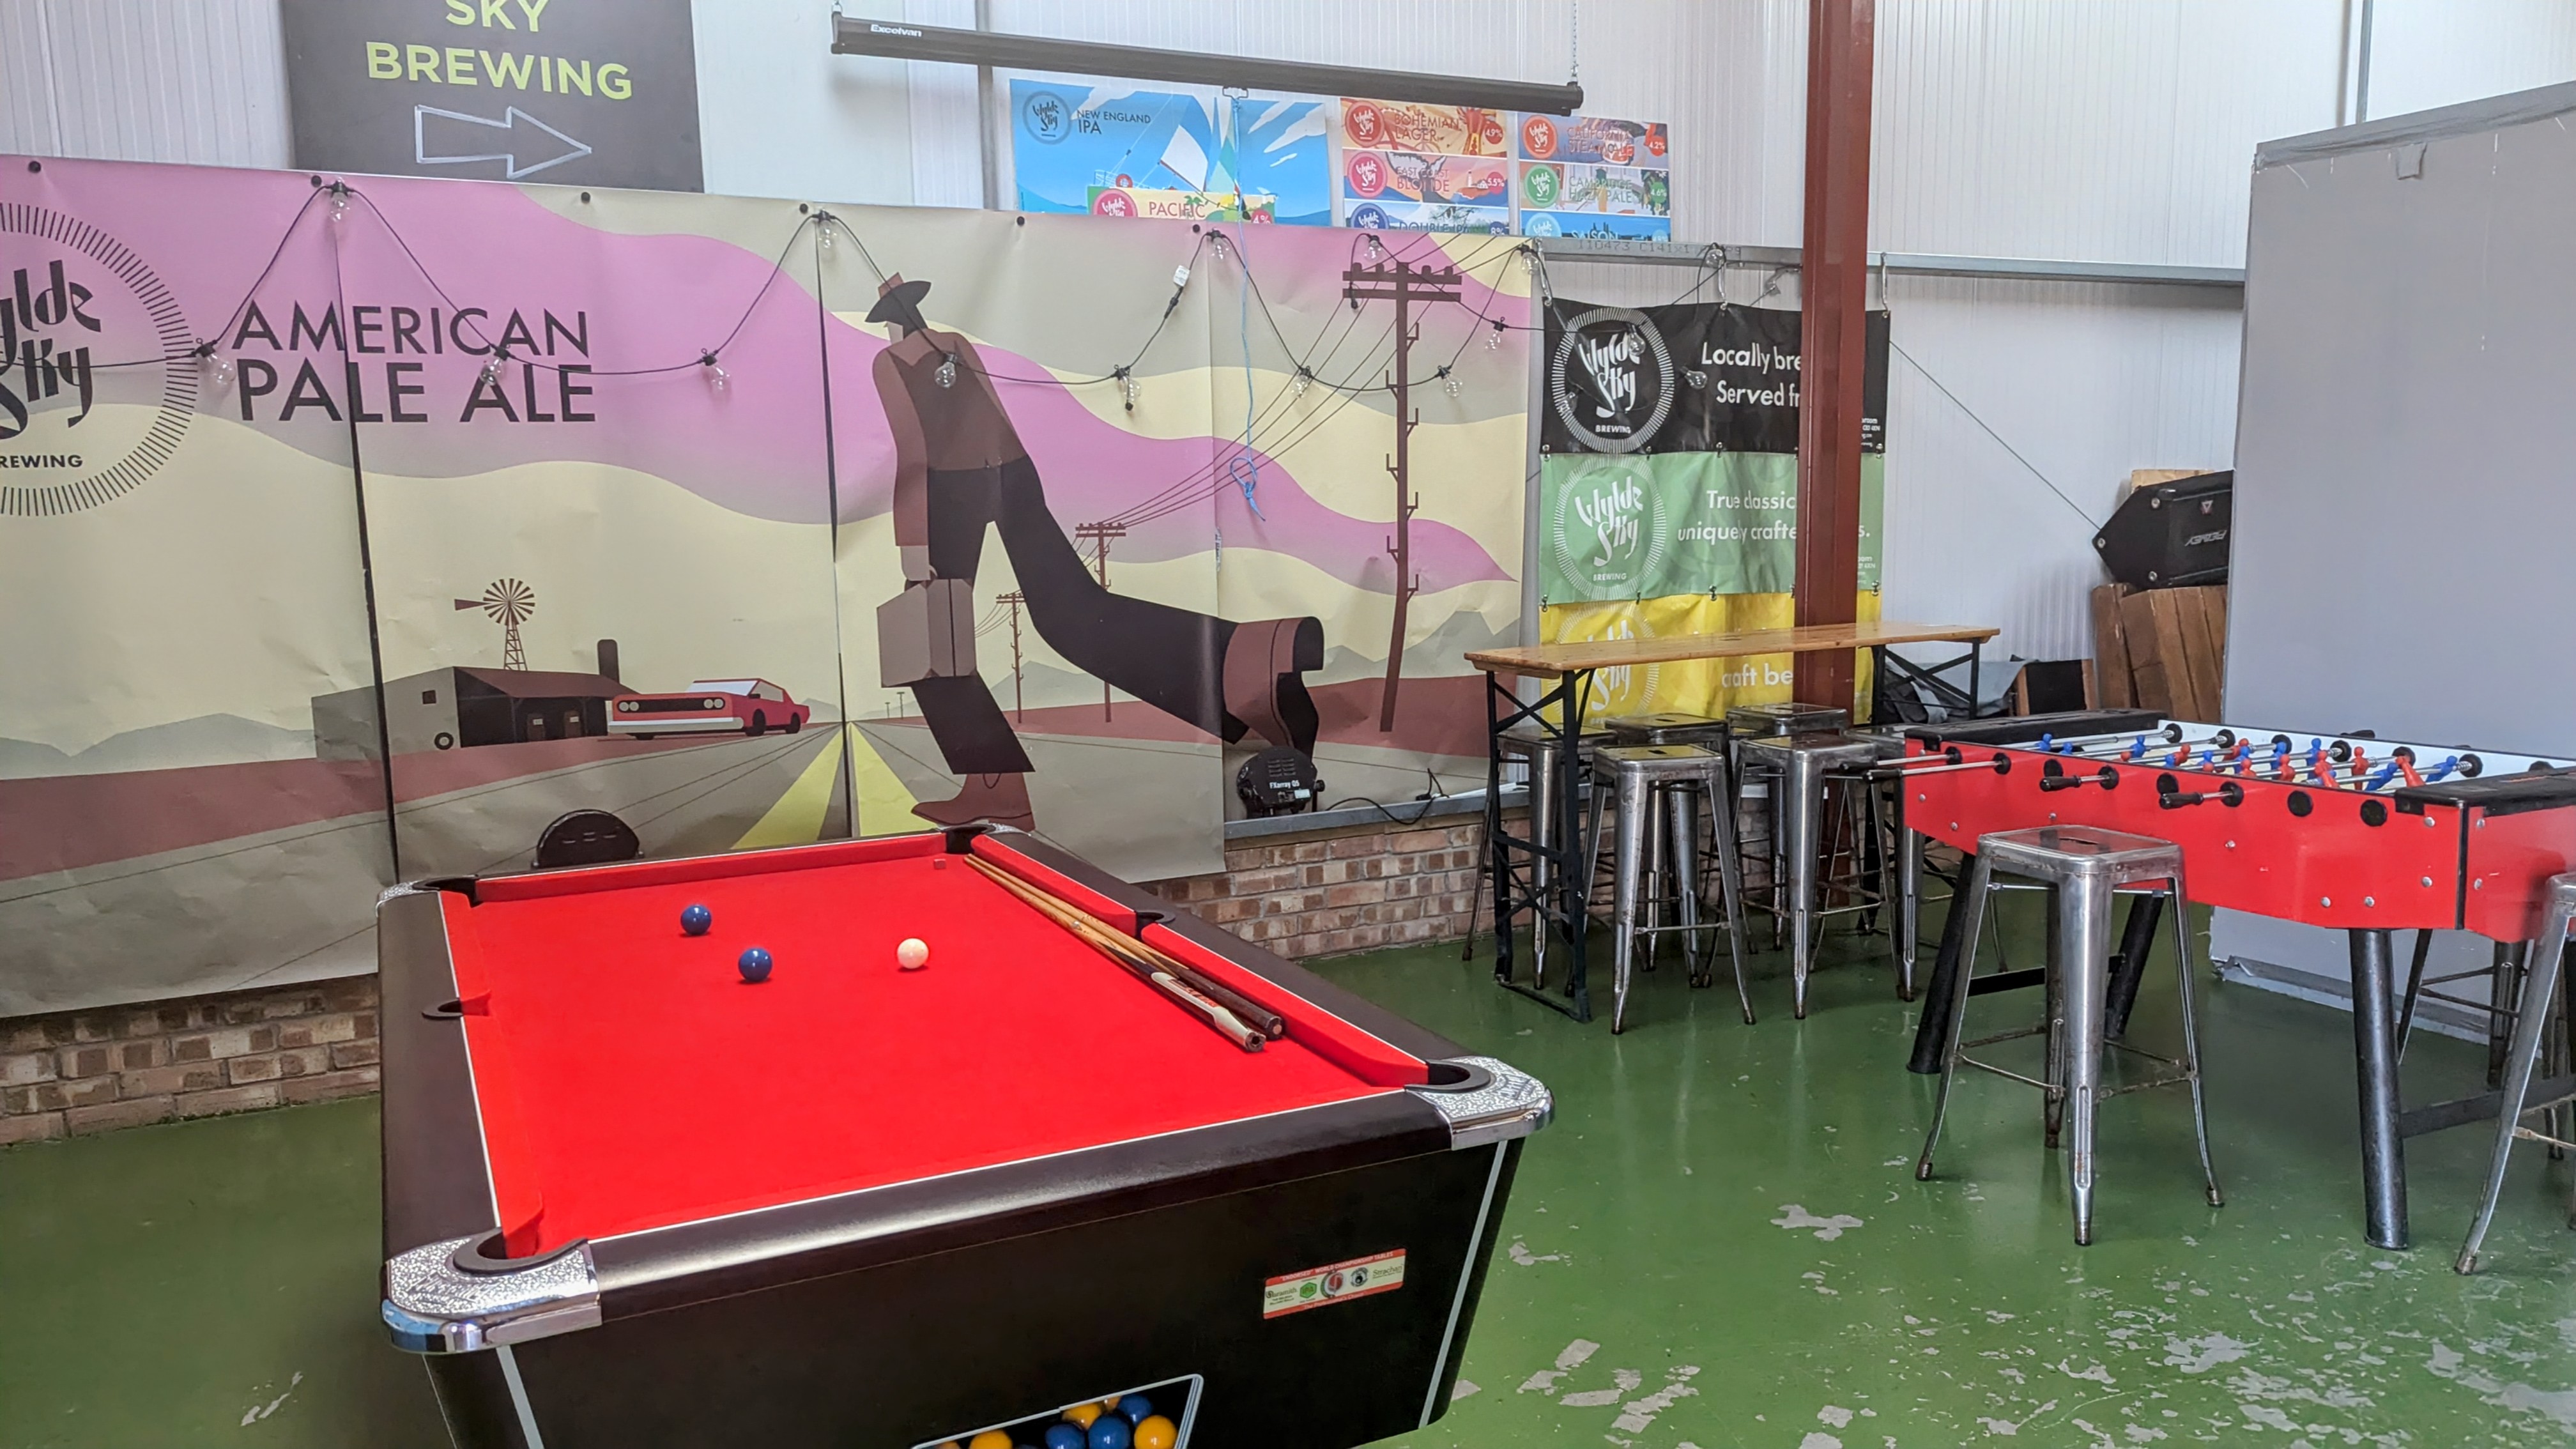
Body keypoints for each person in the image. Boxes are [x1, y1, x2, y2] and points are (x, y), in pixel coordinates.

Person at [868, 275, 1323, 831]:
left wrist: (913, 543)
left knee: (928, 640)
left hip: (947, 490)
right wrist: (1016, 484)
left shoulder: (890, 363)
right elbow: (998, 420)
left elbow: (913, 455)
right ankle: (1250, 657)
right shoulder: (955, 346)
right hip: (1012, 471)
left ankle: (995, 786)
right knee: (1074, 615)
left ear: (890, 322)